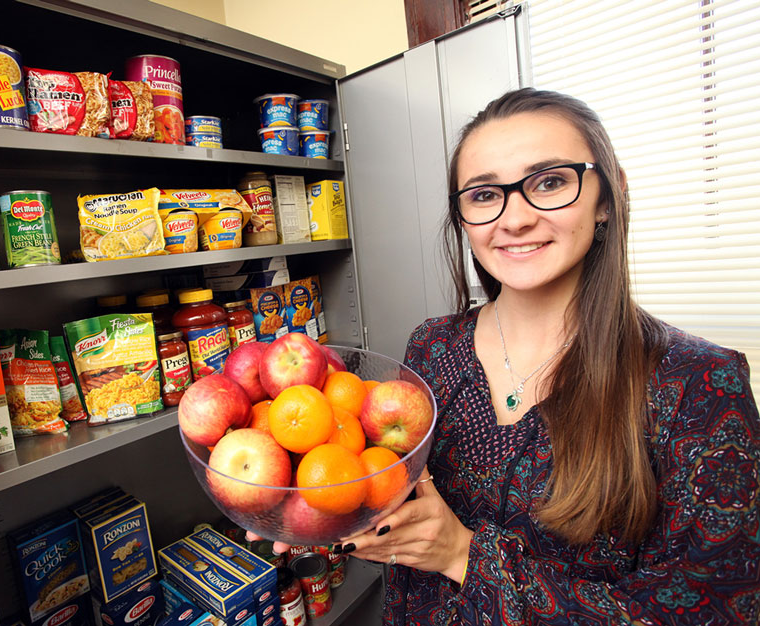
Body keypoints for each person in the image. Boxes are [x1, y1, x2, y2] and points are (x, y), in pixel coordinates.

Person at [324, 88, 759, 625]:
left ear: (608, 197)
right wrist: (313, 504)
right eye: (484, 195)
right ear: (462, 217)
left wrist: (462, 554)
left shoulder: (699, 383)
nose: (515, 218)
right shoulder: (431, 348)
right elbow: (388, 492)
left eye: (550, 182)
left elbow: (714, 611)